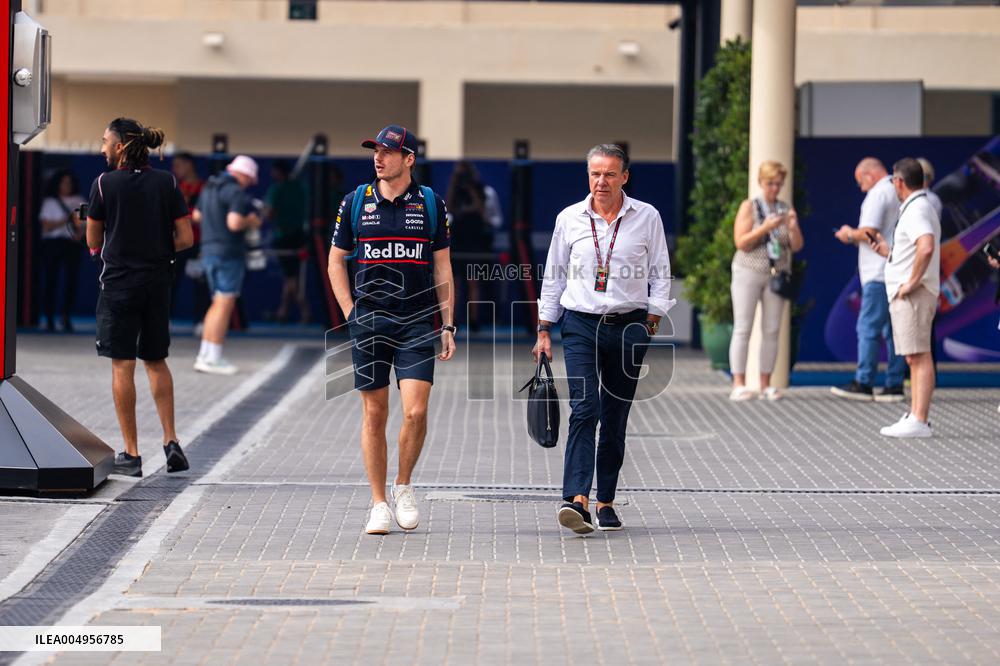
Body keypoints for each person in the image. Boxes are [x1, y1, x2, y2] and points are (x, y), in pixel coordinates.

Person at [534, 143, 673, 535]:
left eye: (610, 174)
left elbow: (661, 272)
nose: (601, 181)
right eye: (595, 174)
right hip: (579, 323)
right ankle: (575, 498)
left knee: (614, 419)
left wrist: (651, 321)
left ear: (624, 177)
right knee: (585, 408)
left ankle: (605, 500)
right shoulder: (570, 218)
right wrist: (545, 327)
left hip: (630, 326)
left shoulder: (647, 217)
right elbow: (555, 276)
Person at [328, 125, 455, 536]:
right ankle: (378, 502)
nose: (378, 158)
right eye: (375, 151)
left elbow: (442, 268)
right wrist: (350, 312)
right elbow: (335, 261)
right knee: (374, 412)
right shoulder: (355, 203)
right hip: (370, 320)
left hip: (417, 321)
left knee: (416, 410)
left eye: (387, 151)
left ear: (409, 158)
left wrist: (448, 322)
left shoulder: (431, 204)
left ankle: (403, 486)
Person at [85, 117, 192, 477]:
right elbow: (186, 237)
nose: (101, 148)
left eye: (104, 141)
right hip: (158, 283)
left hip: (118, 286)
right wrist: (159, 249)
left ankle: (131, 454)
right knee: (157, 360)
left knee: (122, 365)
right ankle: (171, 440)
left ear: (119, 147)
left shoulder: (104, 184)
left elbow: (92, 241)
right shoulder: (166, 182)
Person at [868, 158, 941, 438]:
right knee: (915, 355)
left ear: (899, 181)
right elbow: (917, 249)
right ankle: (916, 414)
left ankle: (919, 420)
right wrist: (890, 252)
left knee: (918, 356)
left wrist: (911, 282)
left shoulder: (917, 209)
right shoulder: (917, 207)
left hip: (915, 295)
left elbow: (926, 247)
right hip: (914, 293)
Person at [831, 157, 907, 402]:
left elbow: (869, 232)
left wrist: (848, 235)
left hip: (877, 272)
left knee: (868, 328)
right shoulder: (898, 192)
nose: (862, 188)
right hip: (896, 269)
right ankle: (894, 383)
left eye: (860, 182)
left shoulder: (877, 193)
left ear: (869, 175)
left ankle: (864, 381)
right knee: (893, 330)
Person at [728, 160, 804, 401]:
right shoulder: (749, 207)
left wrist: (792, 226)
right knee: (743, 327)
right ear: (761, 182)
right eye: (770, 183)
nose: (774, 188)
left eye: (778, 184)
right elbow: (741, 242)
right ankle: (739, 384)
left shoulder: (784, 207)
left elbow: (797, 245)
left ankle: (765, 383)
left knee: (772, 329)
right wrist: (765, 228)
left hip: (776, 275)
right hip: (748, 271)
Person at [192, 155, 262, 375]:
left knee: (216, 303)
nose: (249, 183)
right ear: (245, 174)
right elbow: (234, 223)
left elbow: (196, 216)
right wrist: (252, 220)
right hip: (229, 253)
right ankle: (213, 357)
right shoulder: (235, 192)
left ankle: (205, 354)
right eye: (250, 179)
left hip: (209, 251)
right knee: (225, 304)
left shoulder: (209, 187)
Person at [447, 161, 493, 330]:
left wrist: (471, 189)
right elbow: (449, 208)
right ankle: (454, 319)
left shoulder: (479, 189)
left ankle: (474, 320)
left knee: (474, 281)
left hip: (474, 240)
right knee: (456, 283)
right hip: (458, 239)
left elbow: (482, 210)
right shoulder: (455, 190)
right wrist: (455, 184)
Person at [38, 170, 85, 333]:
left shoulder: (80, 201)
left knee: (71, 281)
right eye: (64, 182)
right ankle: (49, 316)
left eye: (69, 183)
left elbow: (84, 225)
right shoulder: (49, 202)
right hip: (53, 243)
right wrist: (66, 219)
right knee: (51, 280)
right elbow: (46, 226)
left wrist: (79, 233)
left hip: (72, 244)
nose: (67, 186)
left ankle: (65, 316)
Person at [264, 160, 310, 323]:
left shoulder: (276, 189)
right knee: (292, 277)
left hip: (285, 238)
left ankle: (303, 312)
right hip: (301, 237)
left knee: (292, 278)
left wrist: (262, 211)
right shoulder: (301, 188)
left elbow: (268, 214)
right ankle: (283, 311)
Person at [170, 152, 209, 328]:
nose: (175, 169)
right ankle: (164, 320)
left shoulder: (205, 187)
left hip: (199, 242)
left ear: (189, 165)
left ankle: (201, 321)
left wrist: (187, 215)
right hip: (177, 242)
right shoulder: (173, 187)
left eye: (178, 165)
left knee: (201, 283)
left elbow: (206, 215)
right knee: (169, 282)